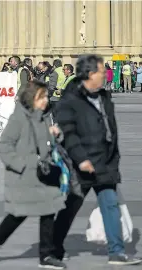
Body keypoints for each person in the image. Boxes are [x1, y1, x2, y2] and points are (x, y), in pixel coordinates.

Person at [53, 54, 142, 266]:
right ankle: (53, 247)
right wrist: (81, 159)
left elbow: (110, 127)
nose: (105, 75)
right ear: (90, 74)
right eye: (102, 72)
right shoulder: (70, 98)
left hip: (105, 163)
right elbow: (69, 131)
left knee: (110, 204)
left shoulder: (104, 95)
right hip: (82, 164)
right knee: (71, 207)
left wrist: (114, 156)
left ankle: (116, 252)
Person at [0, 80, 67, 269]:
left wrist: (55, 134)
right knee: (18, 215)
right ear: (31, 98)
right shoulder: (18, 119)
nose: (46, 100)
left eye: (46, 96)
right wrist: (22, 165)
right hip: (23, 176)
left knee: (48, 211)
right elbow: (4, 147)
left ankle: (46, 256)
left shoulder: (44, 117)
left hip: (43, 173)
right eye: (42, 97)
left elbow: (44, 143)